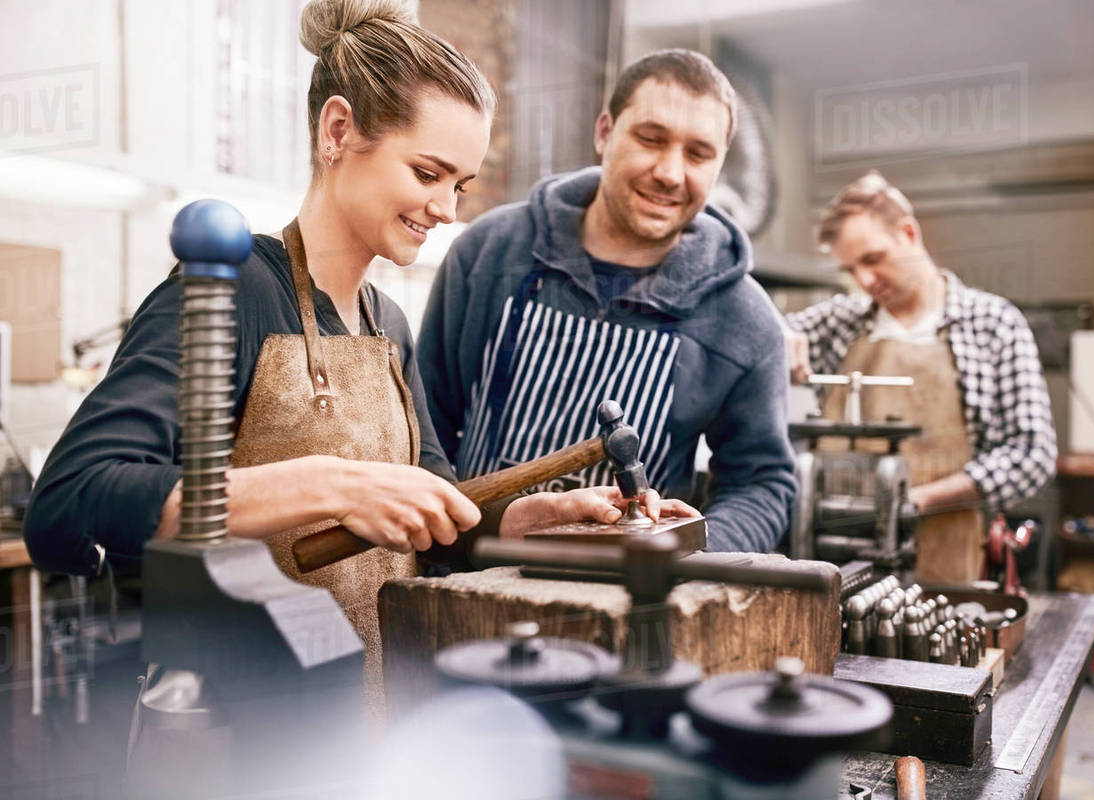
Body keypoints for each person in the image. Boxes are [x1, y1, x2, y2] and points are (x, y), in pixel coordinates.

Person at [23, 0, 694, 708]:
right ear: (338, 130)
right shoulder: (235, 291)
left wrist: (536, 518)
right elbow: (70, 502)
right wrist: (330, 484)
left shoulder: (389, 327)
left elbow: (439, 521)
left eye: (459, 186)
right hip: (232, 728)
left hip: (364, 715)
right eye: (428, 173)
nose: (447, 210)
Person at [417, 49, 795, 554]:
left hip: (630, 611)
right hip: (462, 583)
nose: (670, 171)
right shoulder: (490, 253)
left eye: (698, 154)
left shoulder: (744, 320)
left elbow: (761, 484)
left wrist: (690, 554)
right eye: (650, 139)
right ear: (604, 132)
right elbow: (422, 435)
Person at [784, 170, 1056, 581]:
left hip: (948, 557)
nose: (865, 281)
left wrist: (913, 501)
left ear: (908, 234)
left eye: (873, 259)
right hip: (838, 554)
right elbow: (753, 332)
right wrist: (777, 333)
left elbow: (1032, 453)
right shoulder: (839, 321)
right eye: (851, 269)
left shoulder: (992, 323)